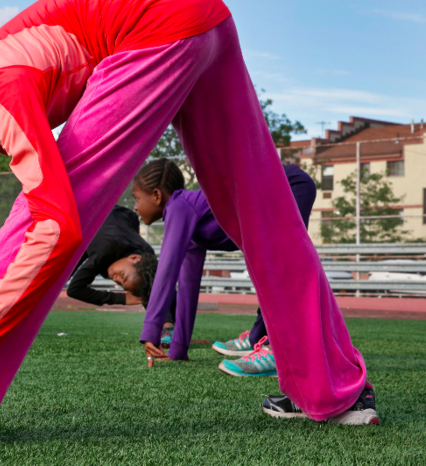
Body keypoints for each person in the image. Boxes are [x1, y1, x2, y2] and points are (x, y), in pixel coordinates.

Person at [0, 0, 377, 448]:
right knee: (260, 218)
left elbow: (57, 229)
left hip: (150, 29)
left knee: (46, 220)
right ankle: (335, 388)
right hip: (204, 15)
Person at [132, 159, 316, 378]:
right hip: (272, 195)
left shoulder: (179, 206)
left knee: (281, 267)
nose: (134, 207)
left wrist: (152, 330)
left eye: (136, 198)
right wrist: (178, 350)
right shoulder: (189, 219)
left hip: (289, 186)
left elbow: (166, 270)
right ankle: (258, 338)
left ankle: (280, 351)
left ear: (156, 195)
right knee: (274, 268)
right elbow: (187, 286)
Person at [66, 204, 178, 341]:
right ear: (134, 258)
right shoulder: (105, 251)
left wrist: (169, 325)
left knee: (151, 285)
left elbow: (156, 290)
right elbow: (74, 289)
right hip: (84, 213)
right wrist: (121, 298)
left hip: (122, 217)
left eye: (119, 283)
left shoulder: (146, 256)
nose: (115, 278)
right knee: (60, 277)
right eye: (123, 276)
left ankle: (169, 329)